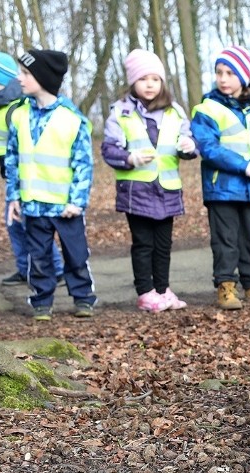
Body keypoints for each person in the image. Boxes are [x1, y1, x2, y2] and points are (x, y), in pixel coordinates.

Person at [102, 49, 198, 312]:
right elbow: (109, 150)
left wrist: (188, 147)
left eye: (155, 79)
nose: (150, 84)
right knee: (143, 244)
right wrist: (130, 158)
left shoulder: (175, 112)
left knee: (164, 244)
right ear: (133, 81)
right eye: (144, 79)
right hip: (136, 191)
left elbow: (189, 145)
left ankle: (162, 289)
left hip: (167, 189)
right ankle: (145, 292)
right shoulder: (121, 112)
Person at [6, 49, 96, 321]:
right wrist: (14, 197)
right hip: (33, 205)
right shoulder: (19, 115)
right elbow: (12, 159)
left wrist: (77, 202)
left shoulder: (72, 118)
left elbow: (84, 164)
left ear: (42, 77)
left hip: (65, 207)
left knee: (76, 255)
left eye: (25, 73)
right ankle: (42, 302)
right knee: (39, 257)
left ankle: (83, 299)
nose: (20, 78)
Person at [191, 45, 250, 310]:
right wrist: (245, 166)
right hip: (222, 187)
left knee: (247, 238)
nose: (222, 78)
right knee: (225, 240)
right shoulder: (207, 109)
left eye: (230, 73)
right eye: (219, 72)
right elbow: (209, 148)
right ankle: (226, 287)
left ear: (244, 77)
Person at [0, 51, 64, 287]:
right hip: (12, 178)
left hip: (26, 178)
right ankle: (25, 269)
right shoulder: (0, 104)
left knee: (32, 226)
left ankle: (55, 269)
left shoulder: (16, 107)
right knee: (15, 225)